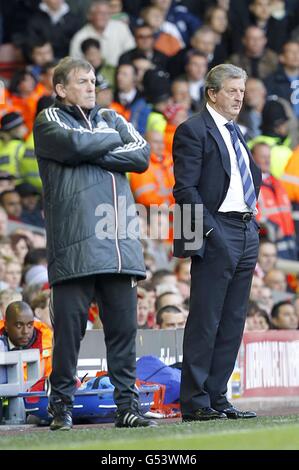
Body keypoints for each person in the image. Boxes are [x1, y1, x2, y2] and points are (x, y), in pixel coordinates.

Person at [33, 56, 156, 431]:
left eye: (93, 80)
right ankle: (61, 407)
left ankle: (127, 407)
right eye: (82, 81)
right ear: (61, 89)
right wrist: (106, 148)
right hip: (75, 246)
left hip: (120, 246)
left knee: (124, 335)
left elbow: (142, 155)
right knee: (70, 336)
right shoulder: (49, 119)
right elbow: (71, 142)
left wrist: (91, 150)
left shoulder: (112, 117)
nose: (91, 86)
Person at [173, 63, 262, 421]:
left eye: (241, 91)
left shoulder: (235, 131)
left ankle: (217, 396)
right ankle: (195, 401)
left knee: (233, 320)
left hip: (245, 229)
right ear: (212, 93)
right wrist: (208, 233)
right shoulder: (193, 130)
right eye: (231, 90)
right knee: (206, 319)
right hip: (216, 228)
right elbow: (184, 189)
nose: (239, 96)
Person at [0, 301, 52, 378]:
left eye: (30, 325)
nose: (25, 331)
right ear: (6, 326)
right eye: (18, 326)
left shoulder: (48, 347)